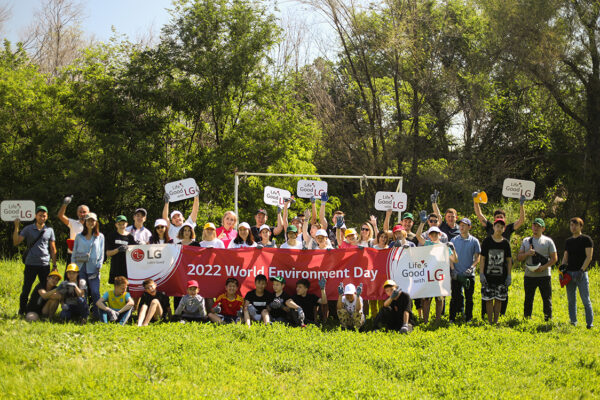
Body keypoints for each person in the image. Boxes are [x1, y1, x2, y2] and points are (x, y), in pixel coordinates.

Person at [474, 192, 526, 318]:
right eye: (497, 217)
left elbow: (521, 220)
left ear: (505, 219)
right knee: (487, 295)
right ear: (493, 221)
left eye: (501, 217)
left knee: (502, 295)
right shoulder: (490, 228)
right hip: (488, 267)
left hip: (502, 268)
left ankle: (500, 316)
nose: (499, 221)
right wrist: (476, 200)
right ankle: (486, 316)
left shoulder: (507, 228)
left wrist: (521, 204)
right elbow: (479, 215)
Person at [13, 205, 57, 316]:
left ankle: (43, 311)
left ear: (47, 217)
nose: (42, 217)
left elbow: (52, 248)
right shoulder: (28, 229)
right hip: (30, 264)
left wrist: (54, 264)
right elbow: (16, 242)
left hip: (45, 264)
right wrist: (16, 227)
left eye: (44, 215)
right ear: (35, 216)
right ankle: (22, 311)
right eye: (40, 215)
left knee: (46, 289)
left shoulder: (49, 230)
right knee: (26, 289)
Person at [415, 223, 458, 323]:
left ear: (440, 235)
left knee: (439, 299)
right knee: (426, 299)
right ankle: (426, 321)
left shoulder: (445, 246)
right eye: (432, 234)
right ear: (429, 235)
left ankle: (437, 320)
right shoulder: (427, 244)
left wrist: (453, 249)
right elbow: (418, 236)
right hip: (428, 276)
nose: (434, 236)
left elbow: (455, 260)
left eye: (436, 234)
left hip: (440, 277)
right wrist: (421, 223)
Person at [517, 218, 557, 321]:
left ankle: (548, 319)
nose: (536, 228)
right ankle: (526, 318)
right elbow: (519, 257)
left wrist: (544, 267)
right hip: (529, 275)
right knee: (528, 298)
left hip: (544, 275)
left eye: (539, 226)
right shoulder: (526, 241)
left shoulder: (548, 241)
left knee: (546, 299)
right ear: (532, 227)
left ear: (543, 228)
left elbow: (554, 258)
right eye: (534, 225)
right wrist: (527, 253)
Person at [561, 217, 594, 328]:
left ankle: (589, 324)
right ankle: (573, 322)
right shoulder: (568, 241)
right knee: (571, 300)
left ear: (581, 226)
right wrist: (562, 271)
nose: (573, 227)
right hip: (569, 274)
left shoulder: (586, 239)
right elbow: (565, 258)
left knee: (585, 299)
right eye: (571, 225)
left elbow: (589, 257)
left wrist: (581, 270)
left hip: (581, 274)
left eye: (575, 225)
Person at [480, 219, 513, 324]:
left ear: (504, 229)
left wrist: (509, 275)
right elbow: (482, 259)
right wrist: (481, 274)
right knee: (488, 299)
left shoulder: (506, 243)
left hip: (501, 277)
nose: (499, 228)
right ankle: (490, 321)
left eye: (501, 227)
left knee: (499, 299)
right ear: (493, 227)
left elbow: (508, 260)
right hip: (488, 276)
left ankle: (496, 321)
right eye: (497, 226)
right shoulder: (487, 241)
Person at [72, 212, 105, 317]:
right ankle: (84, 315)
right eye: (89, 220)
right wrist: (73, 268)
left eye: (93, 221)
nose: (91, 222)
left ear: (96, 222)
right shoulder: (78, 236)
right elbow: (74, 252)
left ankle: (97, 314)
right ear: (85, 222)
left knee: (95, 292)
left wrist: (99, 265)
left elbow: (102, 253)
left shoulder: (100, 237)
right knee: (82, 292)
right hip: (81, 268)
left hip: (94, 268)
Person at [449, 218, 481, 322]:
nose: (461, 227)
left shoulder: (474, 241)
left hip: (469, 274)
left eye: (464, 225)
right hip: (457, 274)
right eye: (460, 225)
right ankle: (452, 318)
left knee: (469, 298)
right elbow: (450, 256)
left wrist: (471, 267)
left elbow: (477, 258)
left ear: (469, 227)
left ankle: (468, 318)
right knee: (455, 297)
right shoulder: (453, 241)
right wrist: (453, 270)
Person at [106, 215, 137, 284]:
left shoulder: (130, 237)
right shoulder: (111, 236)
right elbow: (108, 253)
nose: (121, 226)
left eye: (123, 224)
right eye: (119, 224)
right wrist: (118, 250)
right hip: (116, 266)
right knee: (117, 288)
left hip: (127, 267)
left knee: (126, 287)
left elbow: (135, 250)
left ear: (127, 224)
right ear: (116, 224)